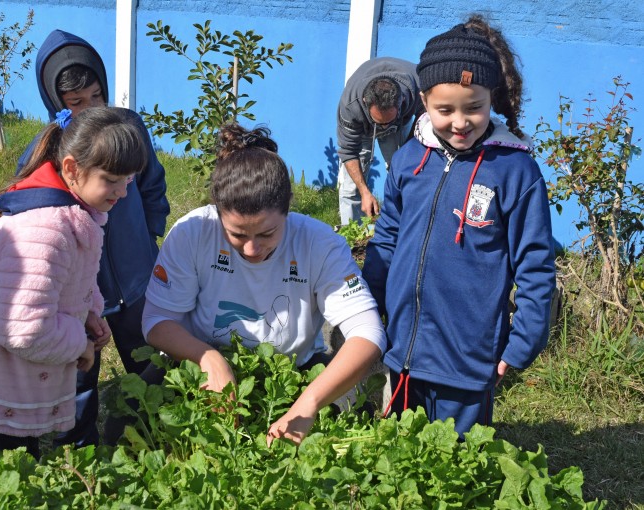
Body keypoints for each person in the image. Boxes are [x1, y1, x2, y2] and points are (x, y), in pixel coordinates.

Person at [362, 15, 556, 436]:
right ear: (423, 100)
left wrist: (524, 340)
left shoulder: (515, 171)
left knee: (458, 468)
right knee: (402, 462)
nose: (460, 122)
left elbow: (535, 264)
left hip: (467, 360)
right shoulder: (409, 160)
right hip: (403, 351)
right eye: (444, 109)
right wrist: (369, 307)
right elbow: (387, 239)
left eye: (475, 108)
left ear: (493, 99)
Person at [135, 123, 387, 445]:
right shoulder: (192, 233)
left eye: (267, 233)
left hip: (293, 369)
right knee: (128, 418)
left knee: (355, 420)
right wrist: (209, 359)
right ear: (217, 210)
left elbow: (368, 333)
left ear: (289, 207)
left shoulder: (320, 243)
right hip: (196, 362)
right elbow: (157, 320)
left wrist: (308, 403)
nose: (251, 249)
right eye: (237, 234)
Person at [0, 107, 149, 457]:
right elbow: (23, 330)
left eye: (128, 180)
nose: (122, 192)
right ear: (72, 168)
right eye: (112, 180)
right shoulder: (45, 230)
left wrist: (88, 311)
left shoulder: (76, 209)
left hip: (9, 379)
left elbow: (70, 280)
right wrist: (79, 346)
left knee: (20, 464)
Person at [17, 29, 171, 447]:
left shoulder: (128, 128)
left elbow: (153, 186)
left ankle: (155, 432)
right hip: (81, 294)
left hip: (137, 278)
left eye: (96, 97)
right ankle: (80, 448)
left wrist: (148, 236)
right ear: (56, 102)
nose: (89, 110)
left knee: (148, 360)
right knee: (79, 372)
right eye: (76, 103)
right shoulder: (49, 149)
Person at [336, 57, 423, 225]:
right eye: (379, 122)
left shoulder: (419, 86)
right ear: (364, 102)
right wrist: (364, 191)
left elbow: (425, 116)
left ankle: (399, 227)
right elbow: (348, 151)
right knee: (350, 187)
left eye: (387, 121)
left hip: (399, 125)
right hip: (362, 126)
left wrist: (408, 148)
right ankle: (350, 237)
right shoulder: (350, 105)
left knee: (404, 171)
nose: (382, 128)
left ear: (402, 101)